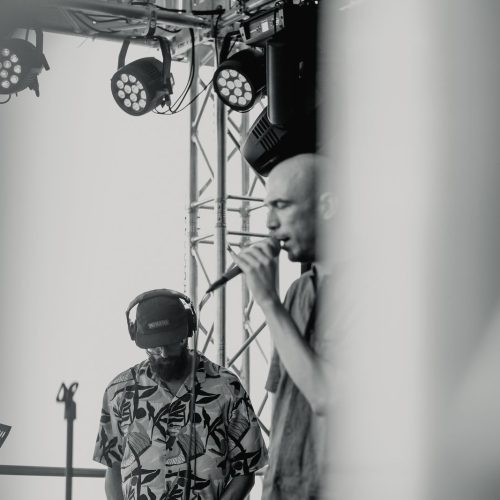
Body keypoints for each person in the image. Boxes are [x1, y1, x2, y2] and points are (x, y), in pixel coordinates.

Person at [93, 289, 267, 500]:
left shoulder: (227, 387)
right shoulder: (119, 392)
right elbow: (113, 468)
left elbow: (246, 471)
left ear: (187, 332)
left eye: (171, 342)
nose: (163, 353)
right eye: (154, 347)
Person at [231, 153, 335, 500]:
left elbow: (327, 396)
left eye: (282, 205)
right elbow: (281, 399)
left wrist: (267, 302)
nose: (270, 223)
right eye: (267, 208)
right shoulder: (298, 291)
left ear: (327, 205)